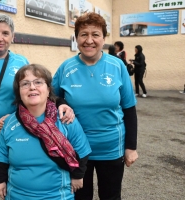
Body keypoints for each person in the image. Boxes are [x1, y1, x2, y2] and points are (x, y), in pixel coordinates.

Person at [0, 13, 74, 200]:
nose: (0, 38)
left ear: (12, 36)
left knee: (15, 187)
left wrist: (63, 104)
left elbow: (38, 92)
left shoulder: (20, 63)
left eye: (5, 33)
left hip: (16, 131)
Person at [52, 12, 139, 200]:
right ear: (76, 38)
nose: (89, 40)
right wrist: (63, 103)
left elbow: (129, 109)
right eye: (83, 34)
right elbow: (51, 97)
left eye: (95, 34)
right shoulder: (66, 68)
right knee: (81, 197)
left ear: (104, 38)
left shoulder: (117, 66)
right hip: (76, 149)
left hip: (111, 148)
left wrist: (131, 147)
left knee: (111, 196)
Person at [0, 64, 92, 200]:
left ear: (49, 89)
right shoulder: (9, 123)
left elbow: (82, 149)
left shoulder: (65, 119)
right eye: (25, 84)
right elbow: (0, 155)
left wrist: (78, 175)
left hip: (57, 196)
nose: (32, 87)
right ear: (19, 92)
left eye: (38, 82)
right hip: (17, 195)